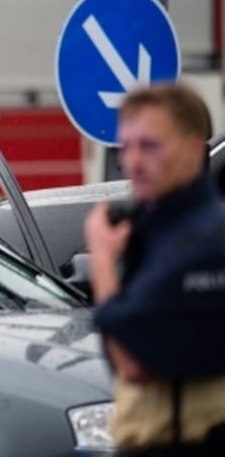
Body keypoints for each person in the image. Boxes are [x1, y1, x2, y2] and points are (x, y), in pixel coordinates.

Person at [85, 84, 225, 455]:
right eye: (126, 147)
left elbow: (135, 361)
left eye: (149, 146)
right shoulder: (153, 227)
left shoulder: (207, 238)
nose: (133, 162)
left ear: (195, 148)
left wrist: (101, 260)